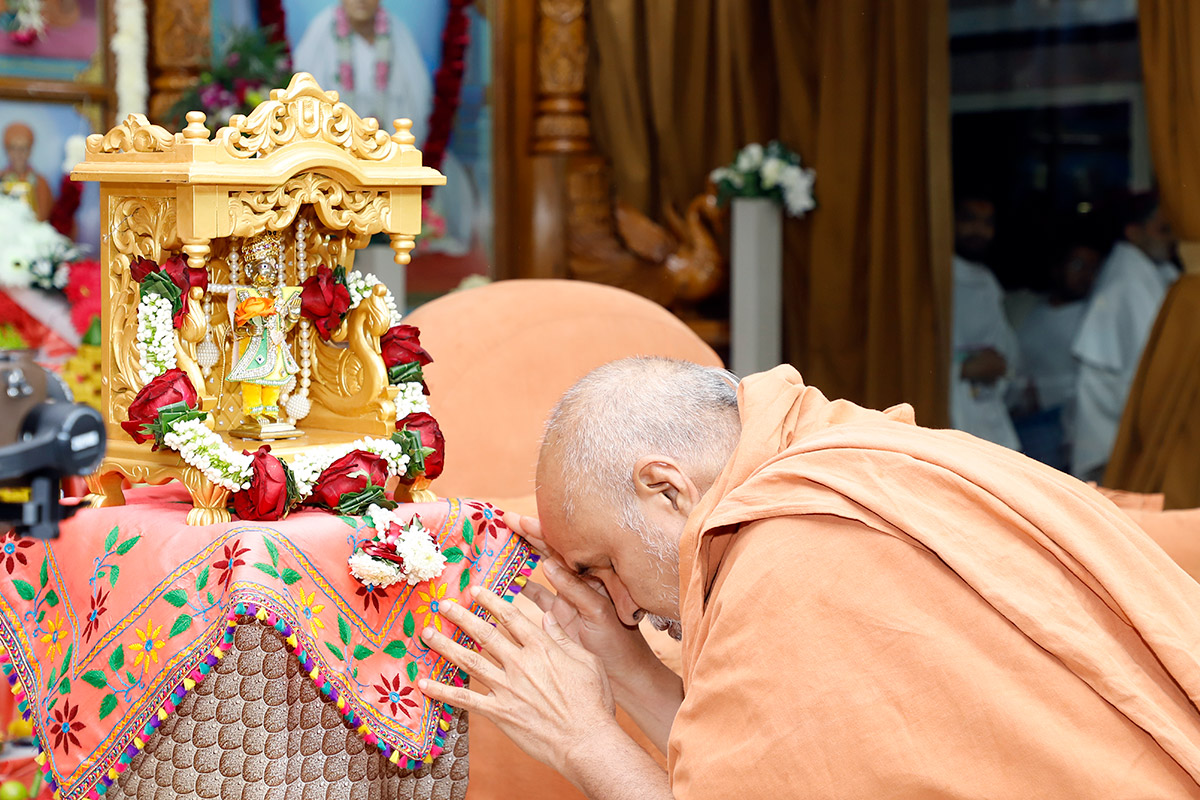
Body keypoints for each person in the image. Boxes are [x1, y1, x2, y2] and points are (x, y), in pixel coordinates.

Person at [418, 357, 1200, 799]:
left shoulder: (790, 562)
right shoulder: (857, 452)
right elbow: (766, 766)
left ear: (667, 489)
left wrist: (583, 740)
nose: (621, 607)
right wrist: (624, 669)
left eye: (606, 566)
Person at [293, 0, 476, 254]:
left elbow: (416, 100)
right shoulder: (322, 31)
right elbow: (303, 102)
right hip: (336, 155)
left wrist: (387, 147)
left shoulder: (395, 32)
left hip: (388, 151)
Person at [1071, 192, 1179, 482]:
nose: (1172, 239)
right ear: (1133, 232)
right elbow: (1158, 364)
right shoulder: (1127, 282)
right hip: (1111, 433)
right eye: (1163, 230)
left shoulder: (1154, 270)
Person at [1009, 218, 1107, 471]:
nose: (1086, 275)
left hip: (1070, 428)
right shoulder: (1026, 311)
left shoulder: (1094, 318)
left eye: (1093, 268)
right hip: (1022, 421)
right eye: (1078, 265)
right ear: (1057, 267)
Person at [950, 194, 1021, 450]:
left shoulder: (988, 282)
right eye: (969, 219)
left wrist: (997, 366)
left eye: (987, 223)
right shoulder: (934, 277)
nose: (979, 230)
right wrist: (962, 370)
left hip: (988, 411)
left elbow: (1007, 354)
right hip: (949, 412)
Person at [1, 123, 53, 223]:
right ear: (7, 150)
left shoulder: (40, 182)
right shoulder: (1, 178)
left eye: (24, 148)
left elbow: (43, 217)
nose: (18, 153)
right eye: (13, 147)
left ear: (30, 150)